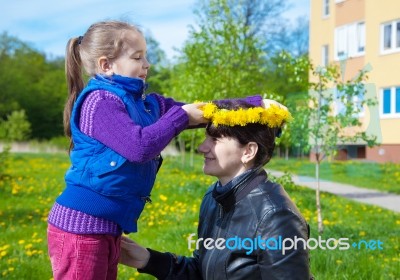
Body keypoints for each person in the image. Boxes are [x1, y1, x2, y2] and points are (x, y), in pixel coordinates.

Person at [46, 20, 267, 280]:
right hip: (81, 228)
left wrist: (257, 105)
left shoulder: (148, 105)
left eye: (146, 56)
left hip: (104, 227)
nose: (147, 64)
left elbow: (201, 111)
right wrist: (180, 117)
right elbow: (140, 147)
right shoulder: (100, 102)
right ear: (106, 65)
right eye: (138, 57)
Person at [119, 100, 312, 279]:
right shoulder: (214, 198)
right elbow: (202, 272)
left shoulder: (276, 216)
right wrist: (147, 260)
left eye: (216, 140)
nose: (202, 147)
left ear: (248, 152)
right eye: (206, 138)